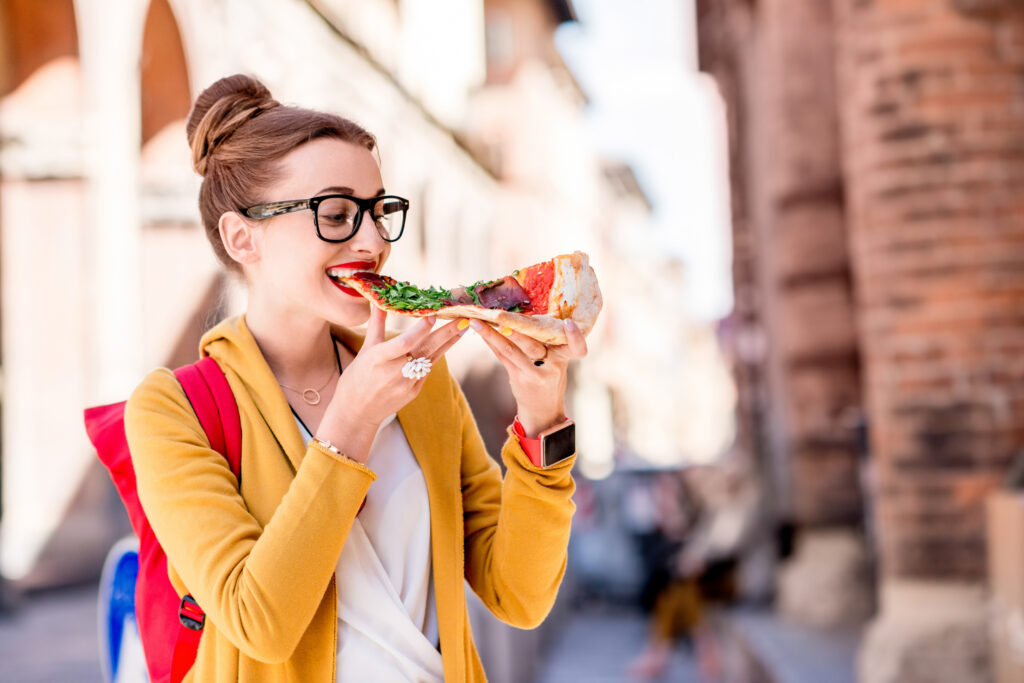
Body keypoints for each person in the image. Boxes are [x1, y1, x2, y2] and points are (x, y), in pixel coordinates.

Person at [124, 74, 585, 682]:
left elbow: (519, 596)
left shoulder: (423, 383)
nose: (372, 241)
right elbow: (260, 622)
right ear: (243, 237)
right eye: (337, 213)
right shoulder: (171, 410)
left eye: (378, 210)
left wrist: (541, 420)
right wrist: (353, 422)